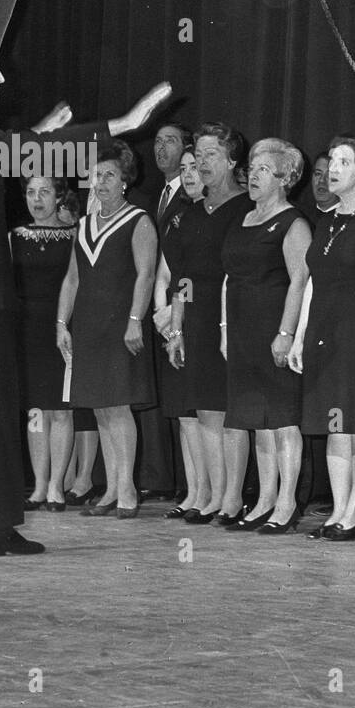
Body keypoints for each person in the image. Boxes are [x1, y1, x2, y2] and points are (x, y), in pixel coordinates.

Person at [0, 35, 168, 556]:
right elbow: (16, 152)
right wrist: (120, 125)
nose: (2, 79)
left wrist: (40, 133)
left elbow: (8, 153)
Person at [290, 136, 355, 539]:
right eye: (331, 161)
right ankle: (338, 509)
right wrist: (298, 337)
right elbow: (313, 283)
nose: (332, 169)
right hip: (324, 336)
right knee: (334, 425)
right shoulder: (327, 220)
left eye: (343, 162)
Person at [56, 142, 158, 519]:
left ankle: (127, 488)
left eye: (109, 176)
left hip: (120, 325)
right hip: (88, 325)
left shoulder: (138, 220)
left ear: (124, 182)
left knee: (118, 407)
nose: (100, 182)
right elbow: (72, 278)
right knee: (100, 409)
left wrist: (135, 320)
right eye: (96, 175)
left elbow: (146, 274)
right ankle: (112, 488)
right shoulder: (82, 225)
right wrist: (61, 323)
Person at [165, 123, 254, 524]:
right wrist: (177, 329)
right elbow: (182, 277)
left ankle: (230, 498)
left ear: (233, 161)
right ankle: (211, 494)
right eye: (197, 155)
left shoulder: (245, 209)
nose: (201, 162)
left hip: (230, 319)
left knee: (227, 412)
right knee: (204, 412)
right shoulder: (193, 213)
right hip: (197, 320)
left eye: (210, 154)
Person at [220, 141, 310, 532]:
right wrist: (225, 331)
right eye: (252, 168)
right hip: (241, 331)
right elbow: (229, 278)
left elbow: (300, 281)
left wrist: (286, 333)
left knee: (282, 419)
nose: (252, 175)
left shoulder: (294, 223)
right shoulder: (244, 217)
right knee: (256, 420)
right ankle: (264, 500)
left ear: (284, 179)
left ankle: (287, 504)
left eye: (263, 170)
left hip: (274, 329)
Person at [12, 175, 77, 511]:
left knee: (61, 409)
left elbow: (75, 282)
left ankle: (57, 486)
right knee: (36, 410)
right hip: (26, 328)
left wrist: (63, 323)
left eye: (45, 192)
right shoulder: (14, 237)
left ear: (59, 197)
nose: (37, 199)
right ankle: (38, 485)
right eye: (31, 192)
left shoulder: (74, 237)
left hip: (63, 325)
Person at [135, 123, 192, 503]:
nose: (160, 148)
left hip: (183, 309)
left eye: (169, 141)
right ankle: (161, 478)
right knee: (162, 400)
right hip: (158, 308)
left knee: (190, 405)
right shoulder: (150, 196)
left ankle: (189, 485)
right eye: (156, 141)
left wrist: (171, 312)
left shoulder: (190, 200)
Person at [154, 148, 212, 520]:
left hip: (195, 316)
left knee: (203, 413)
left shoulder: (212, 214)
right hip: (172, 317)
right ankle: (194, 490)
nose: (189, 174)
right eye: (185, 168)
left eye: (196, 167)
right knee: (185, 416)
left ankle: (210, 492)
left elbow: (192, 278)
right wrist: (161, 312)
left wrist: (176, 316)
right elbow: (165, 271)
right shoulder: (178, 216)